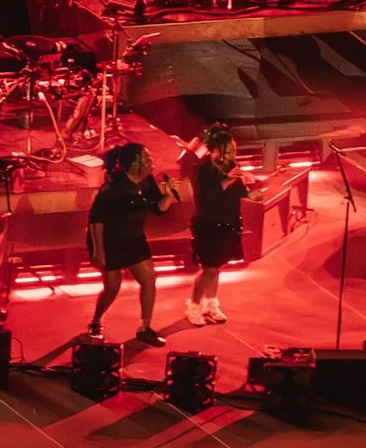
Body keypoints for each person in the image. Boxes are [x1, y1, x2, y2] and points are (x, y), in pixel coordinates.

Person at [86, 141, 176, 346]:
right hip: (110, 241)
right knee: (112, 288)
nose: (151, 161)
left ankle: (145, 328)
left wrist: (169, 196)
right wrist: (99, 252)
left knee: (149, 279)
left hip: (134, 238)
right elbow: (96, 220)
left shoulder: (147, 181)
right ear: (135, 162)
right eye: (146, 158)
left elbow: (158, 209)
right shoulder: (113, 187)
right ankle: (96, 320)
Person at [183, 119, 250, 328]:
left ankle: (211, 303)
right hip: (208, 222)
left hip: (227, 221)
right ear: (216, 149)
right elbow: (207, 197)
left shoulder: (229, 166)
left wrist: (251, 186)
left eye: (233, 149)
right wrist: (229, 179)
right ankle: (193, 305)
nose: (231, 154)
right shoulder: (202, 169)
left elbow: (240, 192)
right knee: (208, 268)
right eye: (227, 150)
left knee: (217, 267)